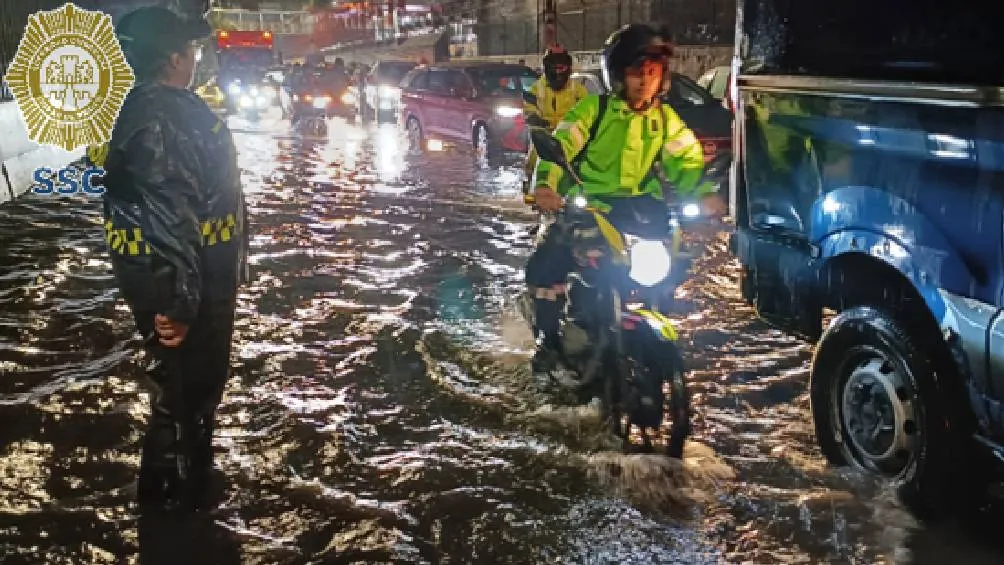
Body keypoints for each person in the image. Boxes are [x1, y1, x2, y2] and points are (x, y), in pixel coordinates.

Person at [101, 6, 248, 511]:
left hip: (187, 276)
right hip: (180, 281)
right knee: (182, 393)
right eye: (191, 50)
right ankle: (173, 507)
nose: (195, 58)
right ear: (172, 57)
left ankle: (187, 487)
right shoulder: (162, 118)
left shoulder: (156, 108)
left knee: (191, 388)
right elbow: (170, 215)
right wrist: (180, 303)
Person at [525, 23, 726, 376]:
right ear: (618, 75)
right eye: (636, 72)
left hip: (639, 209)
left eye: (653, 72)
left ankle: (652, 316)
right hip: (587, 206)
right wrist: (546, 186)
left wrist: (705, 194)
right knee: (550, 259)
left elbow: (687, 161)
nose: (644, 81)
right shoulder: (593, 110)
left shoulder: (665, 120)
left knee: (676, 258)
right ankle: (548, 339)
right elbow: (562, 144)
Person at [521, 45, 588, 194]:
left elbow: (588, 111)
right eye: (555, 67)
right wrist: (535, 118)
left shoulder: (578, 90)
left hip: (571, 139)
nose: (558, 71)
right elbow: (528, 108)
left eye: (561, 67)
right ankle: (531, 187)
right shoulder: (535, 88)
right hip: (544, 136)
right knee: (534, 159)